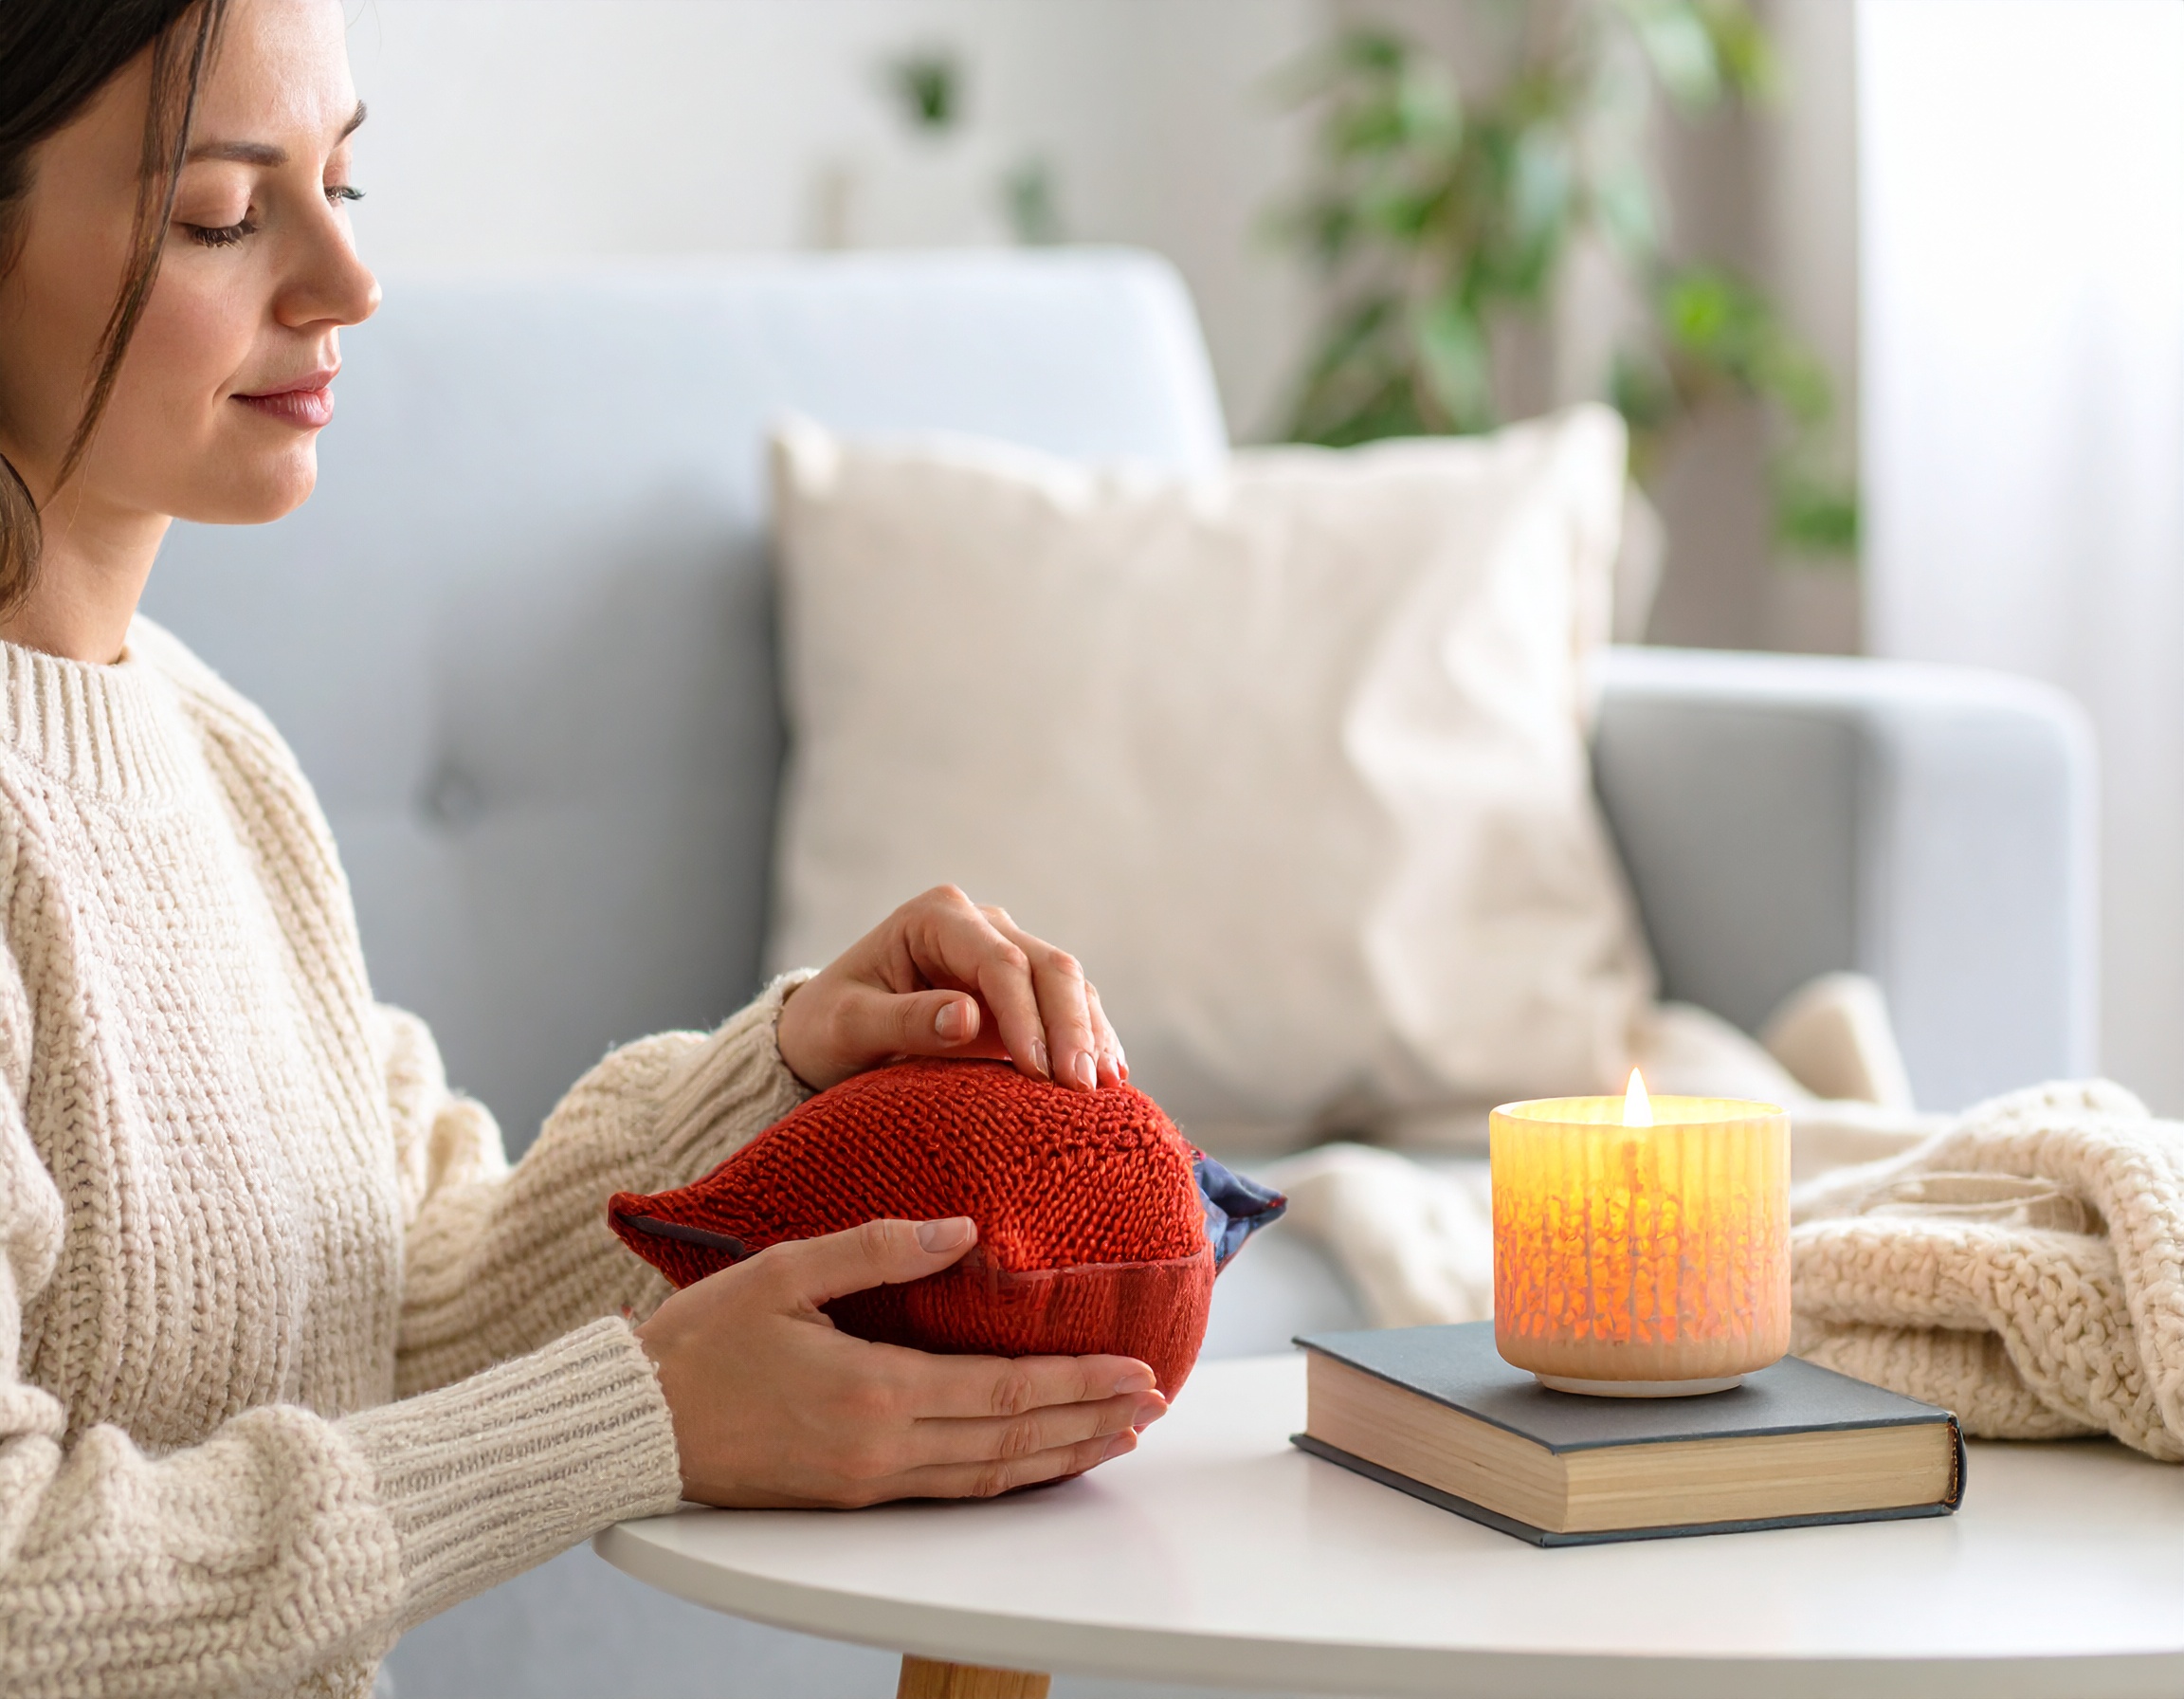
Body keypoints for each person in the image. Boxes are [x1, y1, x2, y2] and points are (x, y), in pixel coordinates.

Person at [0, 2, 1162, 1693]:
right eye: (224, 214)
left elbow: (396, 1284)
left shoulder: (211, 752)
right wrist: (639, 1421)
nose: (347, 281)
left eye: (344, 181)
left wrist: (779, 1081)